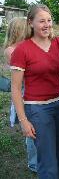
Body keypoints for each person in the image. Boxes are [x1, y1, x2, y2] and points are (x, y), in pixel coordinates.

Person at [10, 4, 59, 179]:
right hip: (38, 109)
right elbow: (15, 89)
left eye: (49, 20)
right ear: (31, 23)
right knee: (47, 161)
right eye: (41, 21)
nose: (47, 25)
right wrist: (23, 121)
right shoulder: (22, 50)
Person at [3, 17, 37, 173]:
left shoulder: (25, 46)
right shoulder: (11, 50)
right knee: (30, 128)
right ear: (19, 30)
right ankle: (34, 163)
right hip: (24, 93)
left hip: (33, 92)